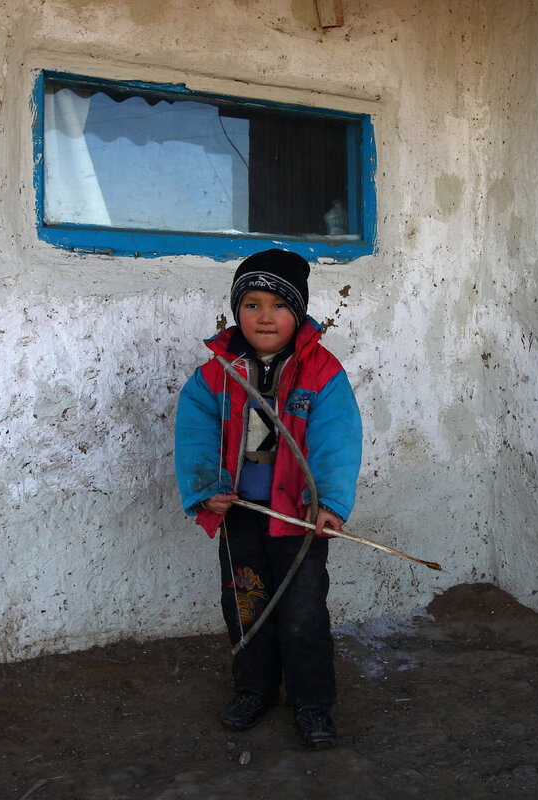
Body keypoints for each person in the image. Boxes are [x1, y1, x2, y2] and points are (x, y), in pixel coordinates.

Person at [173, 248, 363, 749]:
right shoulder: (217, 371)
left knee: (302, 612)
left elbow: (336, 439)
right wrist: (204, 489)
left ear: (297, 313)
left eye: (278, 305)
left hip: (298, 519)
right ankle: (255, 689)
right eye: (252, 304)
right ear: (237, 310)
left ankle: (311, 702)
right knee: (246, 604)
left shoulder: (321, 371)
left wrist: (328, 503)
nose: (264, 316)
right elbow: (195, 430)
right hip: (240, 515)